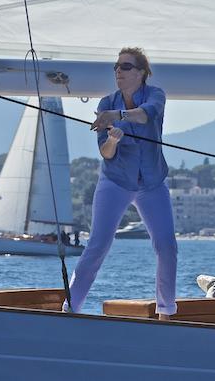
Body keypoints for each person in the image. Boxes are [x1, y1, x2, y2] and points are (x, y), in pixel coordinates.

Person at [64, 47, 177, 320]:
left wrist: (116, 117)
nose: (118, 71)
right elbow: (105, 152)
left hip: (151, 183)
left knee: (167, 246)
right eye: (116, 66)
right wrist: (112, 140)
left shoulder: (155, 95)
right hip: (115, 181)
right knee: (98, 245)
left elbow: (145, 115)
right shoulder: (106, 103)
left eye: (125, 67)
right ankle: (70, 309)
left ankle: (166, 312)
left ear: (141, 73)